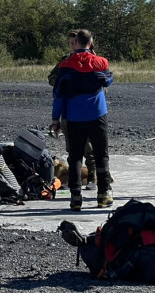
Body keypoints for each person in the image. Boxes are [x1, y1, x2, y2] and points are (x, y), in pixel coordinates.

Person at [51, 29, 114, 211]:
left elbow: (58, 95)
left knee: (75, 157)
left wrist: (56, 118)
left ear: (76, 42)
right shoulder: (101, 62)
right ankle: (103, 194)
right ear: (91, 42)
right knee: (101, 155)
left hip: (73, 117)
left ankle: (75, 197)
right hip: (97, 114)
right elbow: (108, 81)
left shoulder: (66, 65)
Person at [48, 29, 98, 190]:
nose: (72, 46)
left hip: (88, 110)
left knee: (89, 148)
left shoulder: (93, 60)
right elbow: (52, 78)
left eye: (74, 42)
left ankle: (93, 177)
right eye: (70, 43)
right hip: (69, 111)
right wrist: (62, 83)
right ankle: (74, 178)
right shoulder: (66, 61)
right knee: (72, 148)